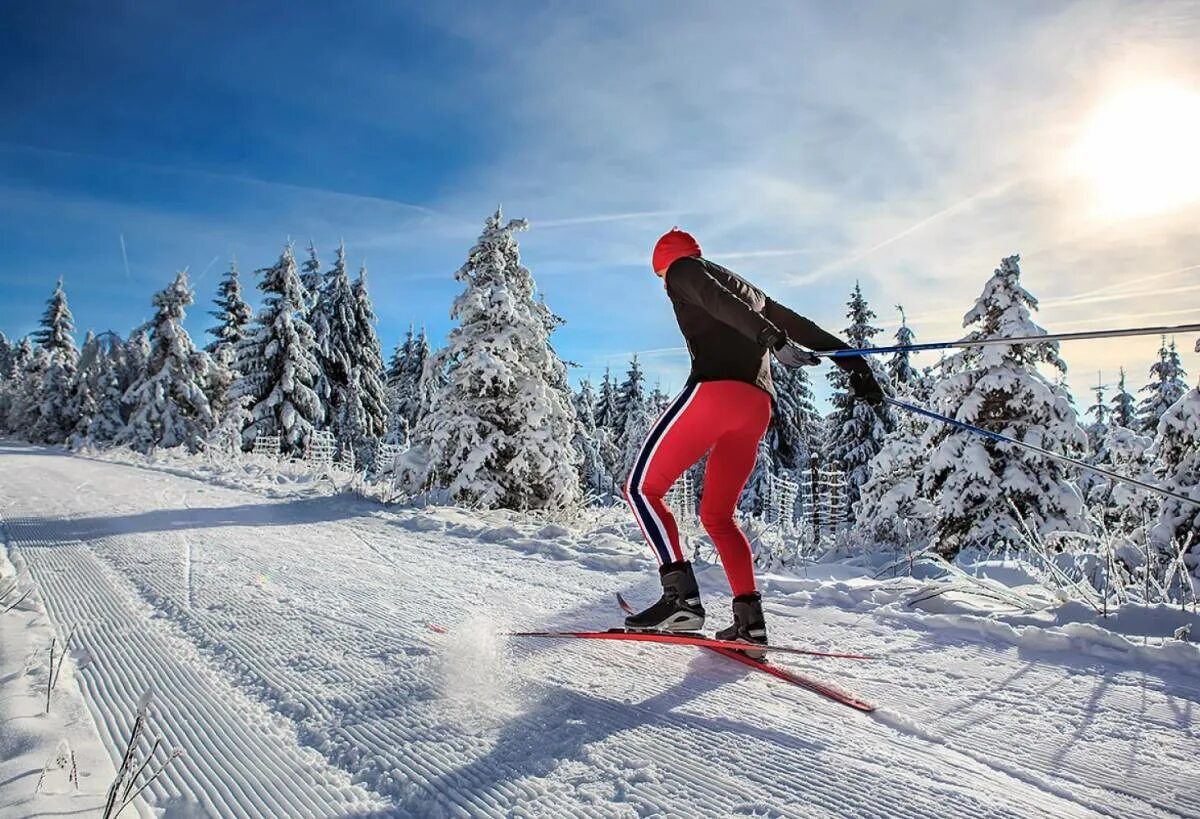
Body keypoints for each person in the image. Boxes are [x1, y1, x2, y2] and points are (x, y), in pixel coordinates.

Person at [623, 228, 884, 652]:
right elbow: (804, 327)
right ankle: (750, 622)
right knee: (718, 517)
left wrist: (773, 340)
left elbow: (715, 302)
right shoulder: (750, 290)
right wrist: (854, 364)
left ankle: (680, 600)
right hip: (756, 407)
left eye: (661, 278)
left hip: (715, 393)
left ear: (663, 264)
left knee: (641, 489)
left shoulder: (683, 271)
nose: (665, 286)